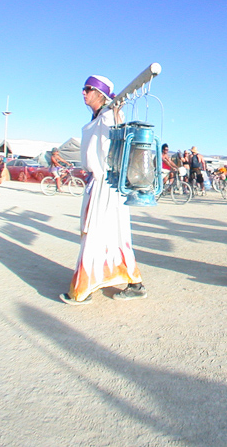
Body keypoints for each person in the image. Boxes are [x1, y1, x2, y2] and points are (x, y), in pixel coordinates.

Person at [60, 75, 146, 305]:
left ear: (100, 94)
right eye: (84, 88)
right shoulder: (97, 118)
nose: (83, 93)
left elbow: (117, 139)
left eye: (88, 89)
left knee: (99, 234)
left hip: (106, 184)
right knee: (112, 233)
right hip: (97, 184)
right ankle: (134, 282)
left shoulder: (109, 116)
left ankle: (82, 289)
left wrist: (117, 112)